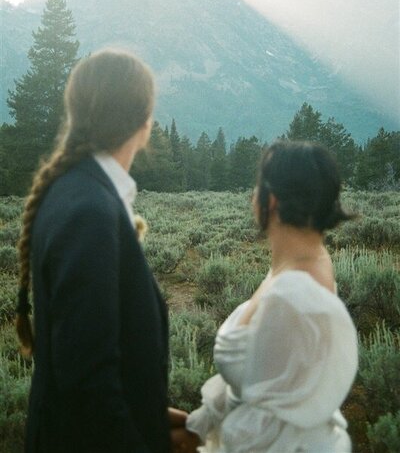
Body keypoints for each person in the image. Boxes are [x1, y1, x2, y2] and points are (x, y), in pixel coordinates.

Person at [15, 48, 186, 452]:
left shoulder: (75, 192)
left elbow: (84, 358)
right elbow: (88, 386)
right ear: (144, 123)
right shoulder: (90, 210)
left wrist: (150, 418)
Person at [180, 140, 358, 453]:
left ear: (271, 201)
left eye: (257, 187)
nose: (252, 197)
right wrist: (197, 428)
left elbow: (271, 426)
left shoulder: (295, 293)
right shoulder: (299, 266)